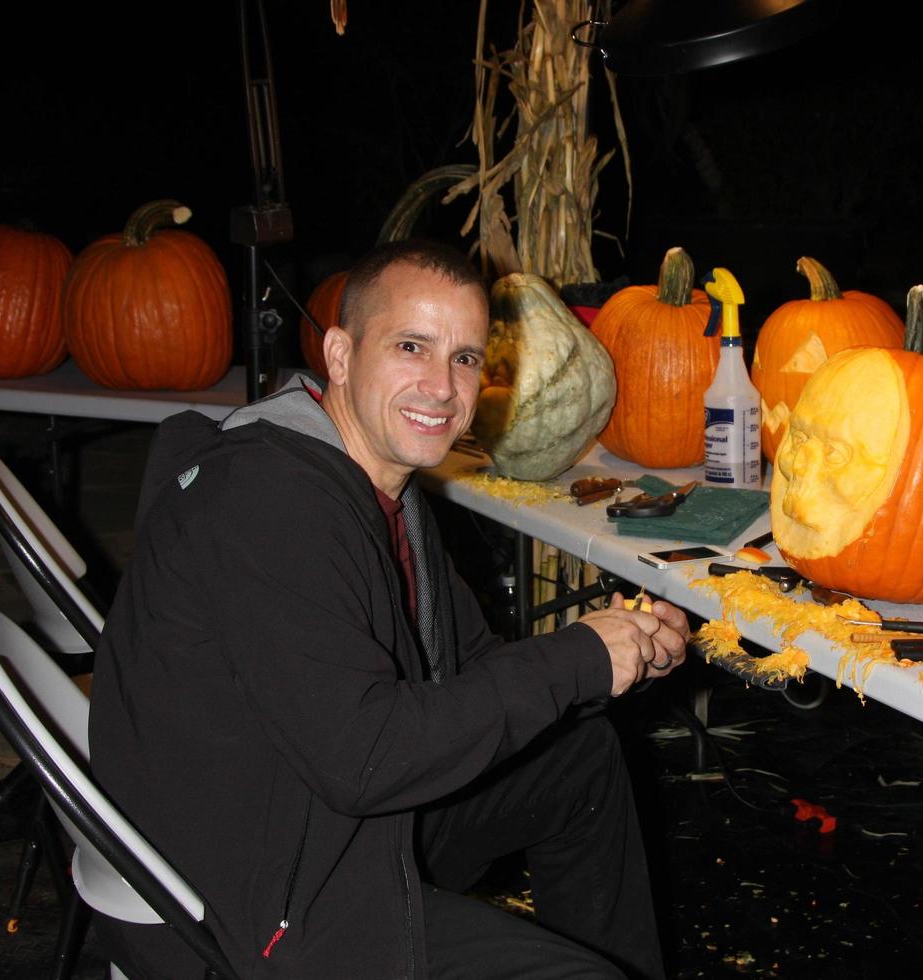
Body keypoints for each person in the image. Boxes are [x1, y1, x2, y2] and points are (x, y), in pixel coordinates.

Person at [89, 239, 691, 980]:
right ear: (340, 355)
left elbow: (467, 669)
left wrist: (616, 649)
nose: (442, 386)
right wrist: (575, 659)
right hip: (252, 906)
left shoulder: (384, 490)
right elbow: (365, 759)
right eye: (413, 346)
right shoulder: (269, 505)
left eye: (465, 357)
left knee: (578, 759)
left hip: (324, 817)